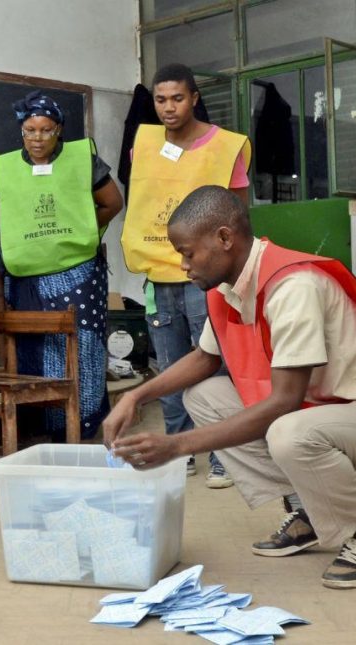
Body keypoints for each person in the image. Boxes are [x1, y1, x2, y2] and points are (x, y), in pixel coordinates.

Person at [105, 185, 356, 590]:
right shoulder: (228, 285)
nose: (183, 265)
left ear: (224, 238)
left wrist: (178, 446)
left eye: (187, 252)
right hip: (323, 411)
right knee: (205, 397)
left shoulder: (293, 286)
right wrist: (135, 395)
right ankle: (311, 507)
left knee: (289, 432)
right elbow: (204, 358)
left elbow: (284, 401)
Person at [120, 63, 251, 487]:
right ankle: (178, 453)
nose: (169, 108)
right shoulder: (143, 143)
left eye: (178, 98)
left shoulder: (226, 146)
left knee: (211, 365)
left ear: (195, 98)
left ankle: (218, 456)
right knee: (169, 365)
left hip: (206, 278)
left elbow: (239, 213)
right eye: (161, 100)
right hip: (157, 273)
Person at [0, 90, 124, 440]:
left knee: (83, 351)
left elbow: (112, 203)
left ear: (59, 130)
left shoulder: (83, 160)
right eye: (30, 130)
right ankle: (39, 431)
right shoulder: (7, 167)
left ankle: (82, 430)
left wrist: (85, 232)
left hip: (78, 274)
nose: (37, 138)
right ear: (21, 131)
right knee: (32, 353)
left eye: (45, 130)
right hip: (25, 280)